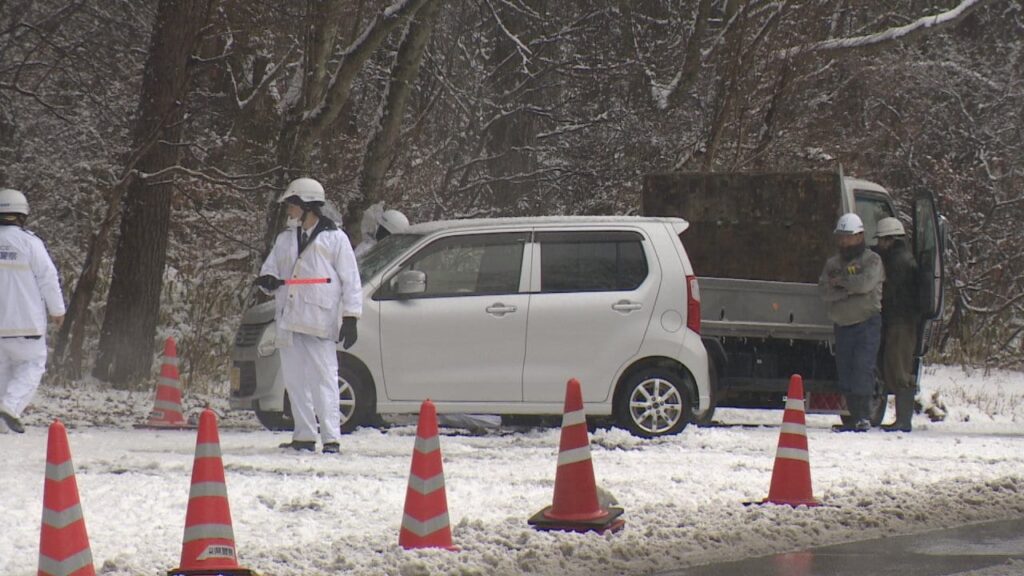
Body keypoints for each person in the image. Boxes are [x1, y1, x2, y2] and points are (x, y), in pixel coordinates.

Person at [255, 177, 362, 454]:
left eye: (293, 204)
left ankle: (331, 438)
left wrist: (351, 317)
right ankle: (303, 435)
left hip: (319, 322)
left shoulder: (335, 239)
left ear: (307, 205)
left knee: (324, 380)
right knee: (295, 381)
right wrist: (267, 280)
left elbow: (351, 280)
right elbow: (270, 269)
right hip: (289, 320)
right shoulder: (285, 239)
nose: (289, 210)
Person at [0, 188, 66, 434]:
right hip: (25, 323)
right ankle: (10, 407)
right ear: (22, 214)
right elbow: (48, 277)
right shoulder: (30, 243)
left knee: (3, 371)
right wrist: (57, 310)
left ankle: (2, 424)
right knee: (32, 365)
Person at [819, 213, 885, 432]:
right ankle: (852, 416)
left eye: (848, 236)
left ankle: (863, 416)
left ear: (860, 236)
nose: (844, 241)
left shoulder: (872, 261)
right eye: (841, 236)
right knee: (846, 371)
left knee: (862, 369)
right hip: (842, 325)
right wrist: (848, 289)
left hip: (866, 323)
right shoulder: (833, 263)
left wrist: (842, 284)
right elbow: (825, 290)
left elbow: (864, 284)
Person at [874, 217, 920, 432]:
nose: (879, 244)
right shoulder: (901, 258)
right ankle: (902, 419)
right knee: (895, 367)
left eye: (881, 240)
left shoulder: (898, 262)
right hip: (901, 321)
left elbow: (891, 293)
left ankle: (903, 421)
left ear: (889, 239)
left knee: (899, 369)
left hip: (900, 322)